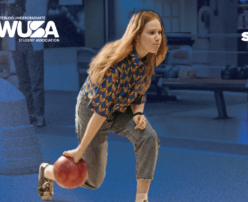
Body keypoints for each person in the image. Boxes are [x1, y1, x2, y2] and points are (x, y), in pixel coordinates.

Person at [37, 9, 168, 202]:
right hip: (92, 109)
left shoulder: (149, 58)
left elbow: (139, 94)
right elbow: (100, 112)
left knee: (148, 136)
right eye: (152, 33)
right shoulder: (116, 65)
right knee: (92, 180)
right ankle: (47, 172)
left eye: (160, 32)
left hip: (119, 109)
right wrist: (80, 150)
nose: (158, 38)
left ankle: (142, 198)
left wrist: (138, 114)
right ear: (137, 35)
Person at [6, 0, 47, 127]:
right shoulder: (12, 0)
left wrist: (21, 15)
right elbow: (8, 23)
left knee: (36, 81)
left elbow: (40, 21)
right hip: (16, 44)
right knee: (23, 82)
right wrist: (9, 14)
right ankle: (29, 114)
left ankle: (40, 115)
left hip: (32, 44)